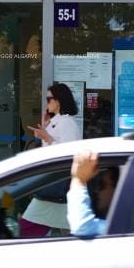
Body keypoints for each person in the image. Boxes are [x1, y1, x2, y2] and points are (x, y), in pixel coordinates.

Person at [19, 83, 81, 237]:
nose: (46, 103)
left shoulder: (68, 123)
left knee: (27, 227)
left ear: (58, 101)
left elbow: (68, 154)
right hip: (57, 187)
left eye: (49, 99)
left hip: (57, 186)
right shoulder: (58, 121)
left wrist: (46, 136)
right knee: (72, 233)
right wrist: (45, 131)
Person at [67, 151, 118, 237]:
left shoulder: (129, 225)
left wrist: (79, 180)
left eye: (102, 185)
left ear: (118, 190)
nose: (96, 190)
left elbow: (83, 227)